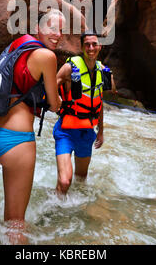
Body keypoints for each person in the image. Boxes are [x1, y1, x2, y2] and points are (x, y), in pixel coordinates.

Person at [0, 9, 64, 242]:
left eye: (61, 30)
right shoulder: (47, 57)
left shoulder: (15, 45)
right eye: (52, 27)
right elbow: (53, 105)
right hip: (16, 142)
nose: (58, 34)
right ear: (39, 27)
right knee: (15, 223)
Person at [54, 31, 116, 196]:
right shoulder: (69, 68)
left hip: (87, 133)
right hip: (65, 131)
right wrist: (57, 101)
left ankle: (71, 210)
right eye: (87, 44)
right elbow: (50, 86)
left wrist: (101, 131)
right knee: (65, 181)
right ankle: (54, 208)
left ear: (99, 46)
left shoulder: (102, 71)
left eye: (94, 44)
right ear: (81, 47)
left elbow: (98, 103)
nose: (91, 48)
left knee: (81, 179)